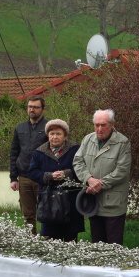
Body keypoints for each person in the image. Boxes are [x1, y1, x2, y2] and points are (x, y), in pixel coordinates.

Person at [72, 109, 132, 245]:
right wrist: (89, 179)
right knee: (97, 245)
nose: (100, 129)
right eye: (96, 125)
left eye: (103, 125)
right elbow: (78, 161)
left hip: (113, 203)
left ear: (112, 124)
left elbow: (122, 170)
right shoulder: (88, 139)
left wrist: (100, 184)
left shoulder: (123, 142)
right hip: (93, 201)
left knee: (113, 245)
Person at [27, 119, 85, 242]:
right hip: (49, 202)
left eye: (58, 133)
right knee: (51, 240)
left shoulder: (75, 149)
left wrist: (67, 173)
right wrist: (49, 176)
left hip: (70, 200)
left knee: (70, 239)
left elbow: (83, 168)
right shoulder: (39, 152)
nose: (55, 137)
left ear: (65, 135)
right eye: (52, 133)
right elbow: (32, 172)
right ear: (47, 135)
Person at [9, 95, 48, 234]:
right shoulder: (20, 128)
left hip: (42, 177)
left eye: (36, 107)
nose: (32, 110)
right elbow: (14, 153)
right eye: (30, 106)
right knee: (28, 214)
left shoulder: (49, 127)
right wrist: (13, 178)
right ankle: (30, 242)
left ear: (43, 109)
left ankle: (46, 241)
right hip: (24, 177)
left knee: (45, 212)